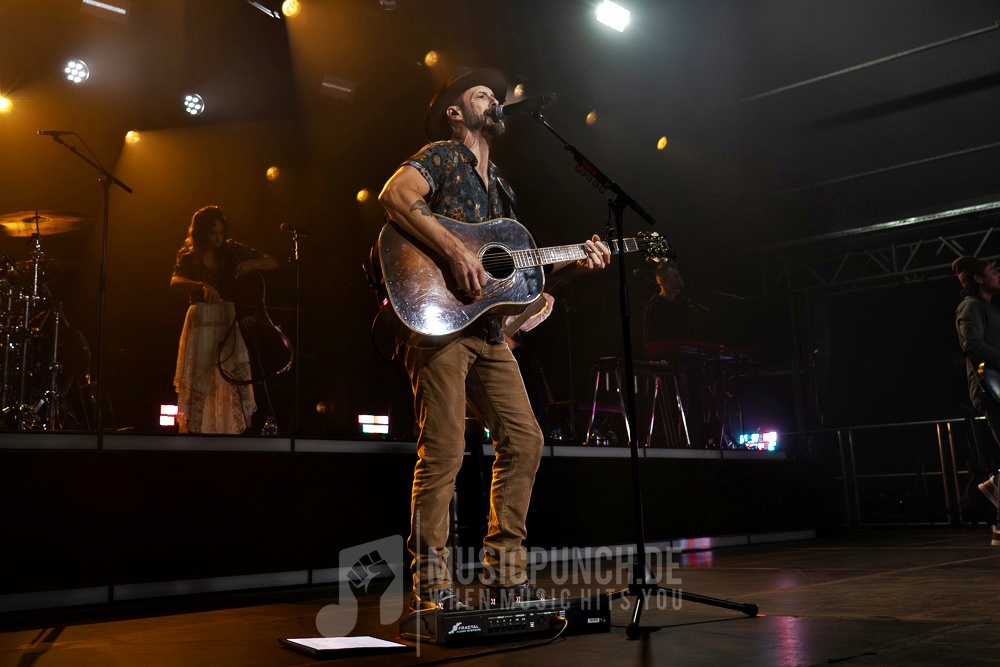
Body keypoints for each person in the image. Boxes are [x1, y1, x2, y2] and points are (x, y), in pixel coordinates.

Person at [378, 66, 610, 611]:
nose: (494, 101)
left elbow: (512, 272)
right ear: (455, 111)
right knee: (444, 451)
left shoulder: (501, 184)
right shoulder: (441, 156)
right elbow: (395, 196)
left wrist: (575, 263)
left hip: (487, 332)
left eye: (495, 95)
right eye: (482, 94)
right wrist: (455, 251)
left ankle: (505, 575)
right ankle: (432, 586)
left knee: (525, 440)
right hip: (438, 326)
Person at [170, 205, 277, 434]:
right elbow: (175, 282)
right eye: (213, 233)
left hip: (227, 317)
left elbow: (271, 261)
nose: (218, 238)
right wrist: (201, 285)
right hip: (201, 318)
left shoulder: (230, 250)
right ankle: (197, 432)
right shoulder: (189, 255)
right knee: (201, 378)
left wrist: (251, 263)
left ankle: (234, 433)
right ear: (202, 233)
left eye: (221, 232)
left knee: (233, 375)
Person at [953, 255, 1000, 546]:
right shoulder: (970, 306)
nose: (998, 274)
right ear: (978, 279)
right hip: (991, 391)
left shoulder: (989, 308)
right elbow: (972, 345)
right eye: (992, 271)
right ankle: (995, 487)